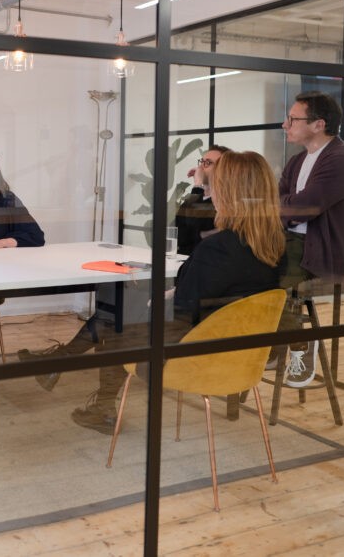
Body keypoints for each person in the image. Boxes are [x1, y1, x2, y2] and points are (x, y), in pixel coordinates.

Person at [71, 151, 287, 434]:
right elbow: (219, 299)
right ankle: (74, 373)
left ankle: (100, 404)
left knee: (116, 310)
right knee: (122, 304)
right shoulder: (276, 248)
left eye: (215, 184)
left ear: (230, 192)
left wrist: (151, 305)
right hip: (242, 358)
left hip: (195, 357)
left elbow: (181, 317)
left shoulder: (218, 249)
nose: (211, 190)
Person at [278, 91, 344, 387]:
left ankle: (300, 344)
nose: (285, 124)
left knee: (261, 271)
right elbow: (281, 202)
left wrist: (290, 205)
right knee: (241, 258)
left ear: (318, 124)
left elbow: (303, 207)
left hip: (320, 252)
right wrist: (289, 205)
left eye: (292, 119)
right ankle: (274, 340)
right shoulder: (297, 161)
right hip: (291, 241)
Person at [176, 144, 229, 256]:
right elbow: (178, 235)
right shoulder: (194, 198)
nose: (200, 168)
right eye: (201, 162)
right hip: (184, 263)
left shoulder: (225, 202)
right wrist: (201, 234)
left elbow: (194, 222)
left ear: (223, 169)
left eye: (208, 163)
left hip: (207, 264)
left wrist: (197, 185)